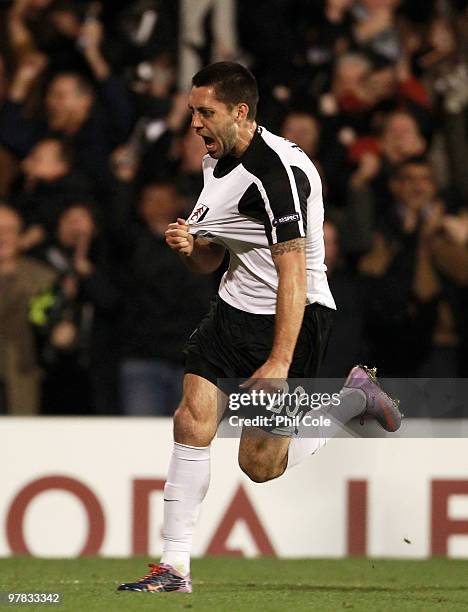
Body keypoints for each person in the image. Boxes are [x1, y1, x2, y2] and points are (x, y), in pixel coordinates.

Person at [118, 61, 402, 594]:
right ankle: (173, 567)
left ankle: (353, 401)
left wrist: (278, 360)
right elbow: (211, 260)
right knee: (191, 419)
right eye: (192, 112)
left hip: (292, 316)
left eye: (206, 112)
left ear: (240, 112)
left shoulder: (278, 176)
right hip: (232, 309)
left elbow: (293, 274)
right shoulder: (216, 160)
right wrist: (192, 249)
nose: (195, 123)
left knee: (259, 465)